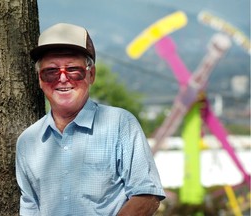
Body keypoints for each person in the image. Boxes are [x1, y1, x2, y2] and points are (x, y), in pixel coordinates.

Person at [15, 22, 165, 216]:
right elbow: (30, 208)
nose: (62, 79)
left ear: (91, 74)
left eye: (73, 70)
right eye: (51, 71)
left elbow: (146, 195)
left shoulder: (120, 124)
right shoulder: (28, 141)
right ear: (40, 80)